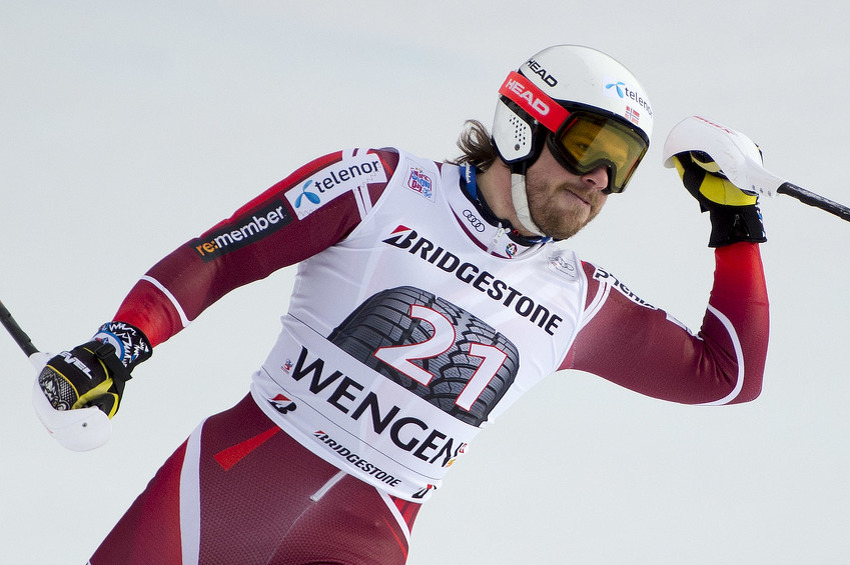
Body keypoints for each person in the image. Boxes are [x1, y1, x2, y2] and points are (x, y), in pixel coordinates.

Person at [32, 44, 769, 564]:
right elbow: (222, 256)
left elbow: (728, 374)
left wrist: (733, 221)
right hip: (216, 495)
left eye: (624, 165)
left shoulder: (579, 299)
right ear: (525, 123)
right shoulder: (380, 185)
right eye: (590, 147)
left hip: (360, 540)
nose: (601, 180)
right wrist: (120, 344)